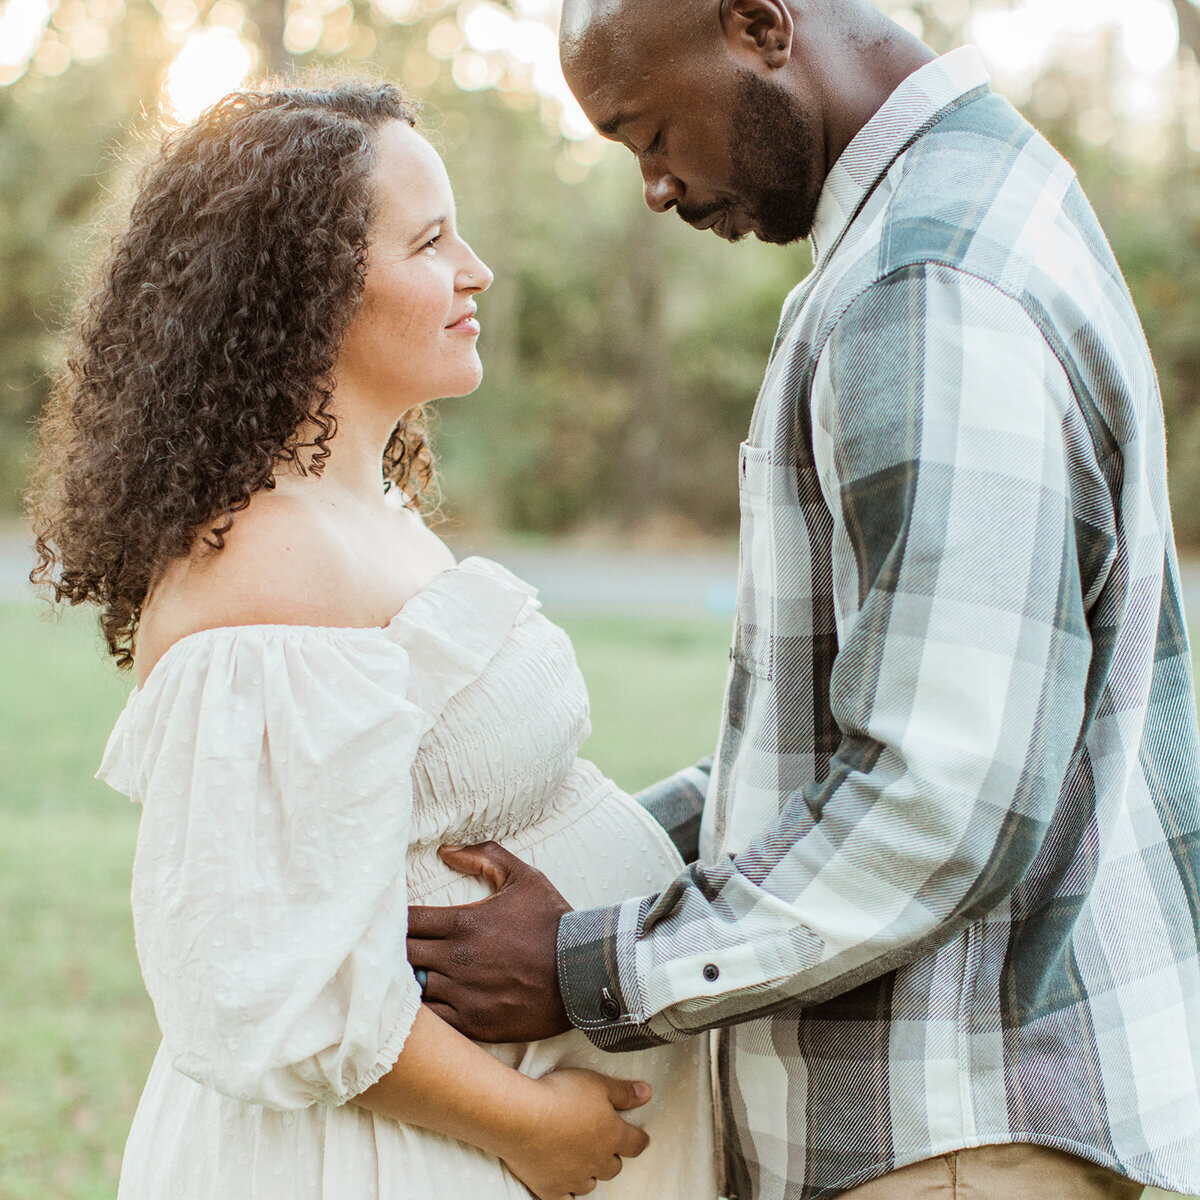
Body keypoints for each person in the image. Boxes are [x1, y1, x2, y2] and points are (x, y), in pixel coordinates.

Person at [404, 2, 1200, 1198]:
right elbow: (861, 736)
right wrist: (598, 845)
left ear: (759, 24)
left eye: (650, 132)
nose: (657, 189)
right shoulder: (979, 199)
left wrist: (590, 969)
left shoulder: (924, 280)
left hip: (956, 1136)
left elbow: (936, 800)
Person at [28, 79, 717, 1200]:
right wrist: (534, 1123)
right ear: (304, 288)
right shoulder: (268, 559)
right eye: (432, 240)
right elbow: (276, 983)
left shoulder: (356, 521)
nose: (476, 269)